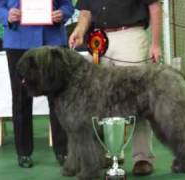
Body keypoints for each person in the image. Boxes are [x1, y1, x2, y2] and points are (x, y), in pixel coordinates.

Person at [69, 0, 162, 176]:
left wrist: (155, 44)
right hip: (98, 41)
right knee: (100, 101)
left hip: (130, 36)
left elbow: (155, 7)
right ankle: (110, 152)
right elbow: (85, 12)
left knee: (138, 100)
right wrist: (79, 31)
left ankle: (142, 157)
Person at [0, 0, 74, 168]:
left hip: (53, 43)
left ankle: (63, 151)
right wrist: (7, 15)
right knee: (21, 99)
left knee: (58, 99)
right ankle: (23, 152)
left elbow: (68, 5)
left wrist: (62, 14)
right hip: (18, 44)